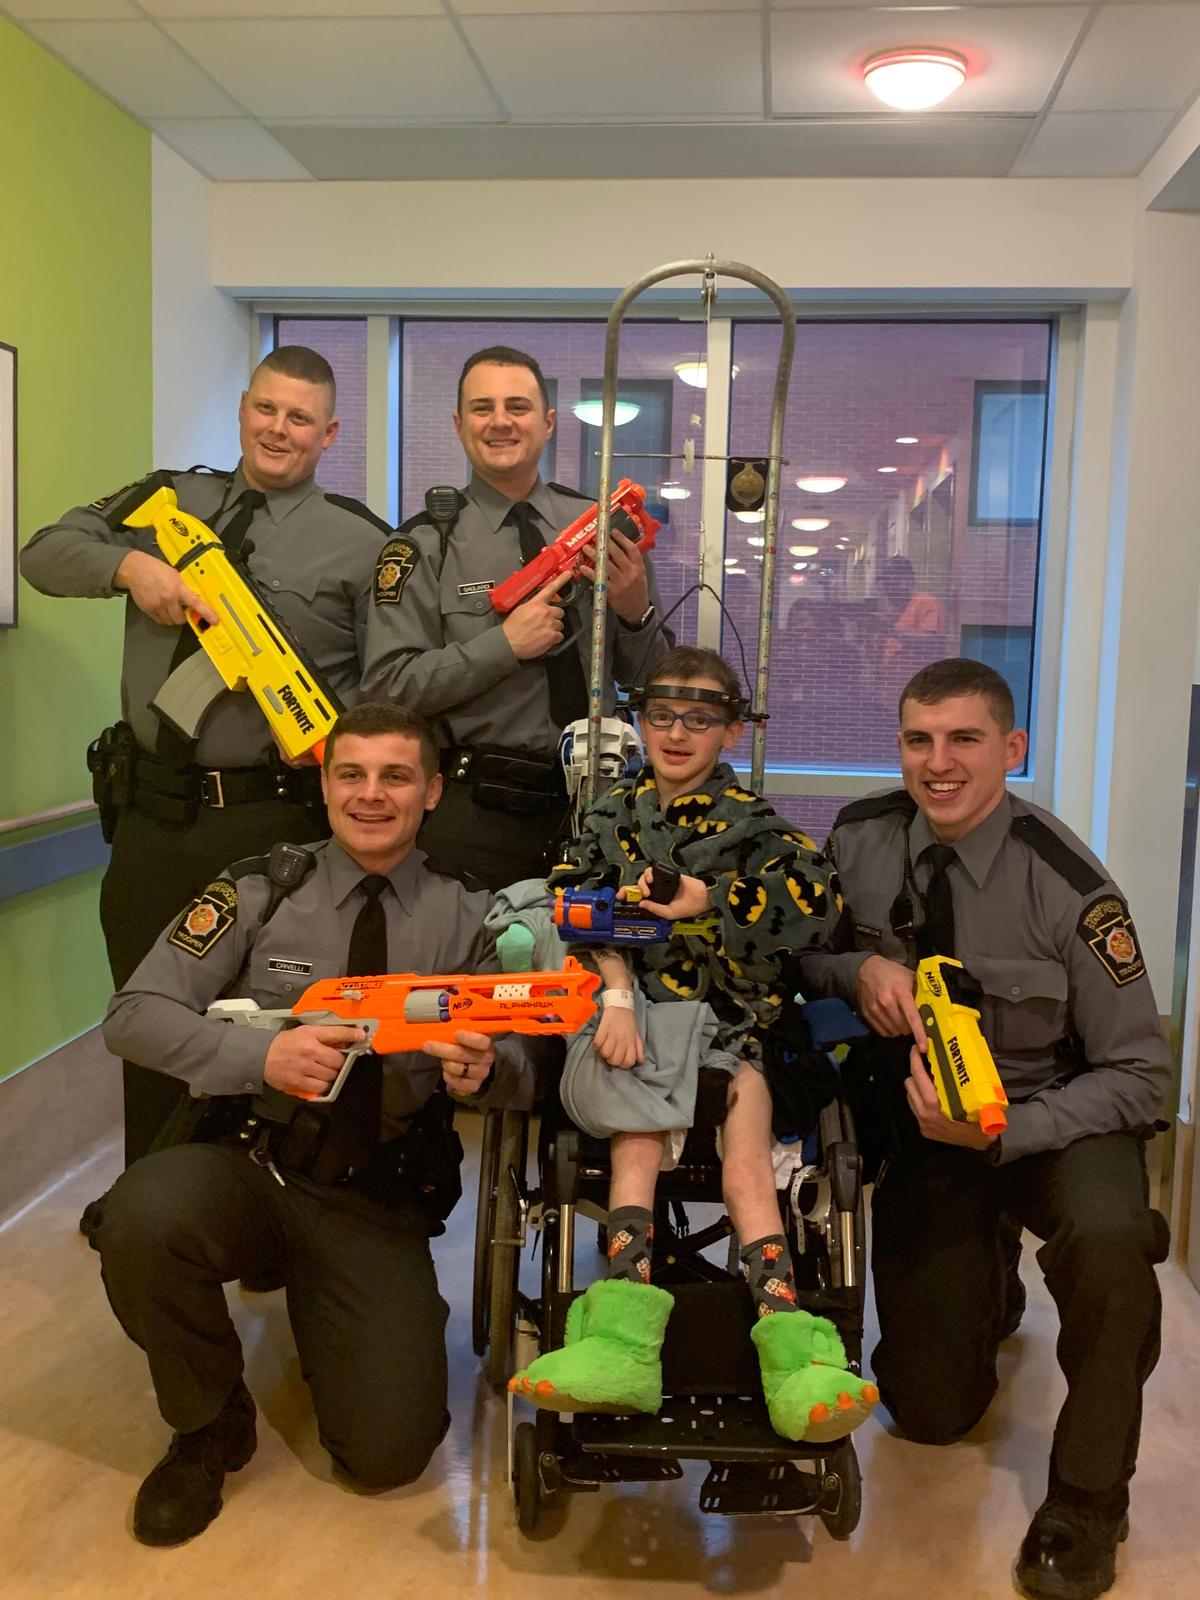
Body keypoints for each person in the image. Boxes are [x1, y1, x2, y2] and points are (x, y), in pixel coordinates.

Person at [95, 702, 534, 1547]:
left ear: (433, 791)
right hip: (252, 1162)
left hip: (376, 1197)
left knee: (388, 1455)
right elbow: (133, 1015)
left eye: (396, 776)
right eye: (351, 774)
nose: (372, 795)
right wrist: (259, 1058)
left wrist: (489, 1072)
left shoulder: (476, 917)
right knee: (141, 1218)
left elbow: (522, 1063)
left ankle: (346, 1318)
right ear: (323, 784)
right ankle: (208, 1424)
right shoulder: (262, 887)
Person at [797, 657, 1171, 1600]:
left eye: (964, 740)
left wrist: (1008, 1136)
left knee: (1112, 1246)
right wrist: (860, 975)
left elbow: (1142, 1076)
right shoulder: (862, 840)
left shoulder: (1075, 889)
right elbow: (805, 954)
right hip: (933, 1129)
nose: (940, 764)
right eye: (919, 740)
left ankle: (1089, 1503)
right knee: (925, 1413)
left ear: (1013, 749)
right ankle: (988, 1280)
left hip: (1057, 1121)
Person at [21, 345, 389, 1169]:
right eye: (266, 409)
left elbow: (384, 687)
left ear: (329, 433)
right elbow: (42, 552)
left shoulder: (363, 544)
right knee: (150, 1019)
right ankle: (149, 1210)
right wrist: (129, 567)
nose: (278, 430)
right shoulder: (165, 500)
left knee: (264, 1022)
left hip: (273, 828)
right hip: (154, 820)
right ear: (242, 409)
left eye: (300, 418)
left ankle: (257, 1209)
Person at [503, 646, 878, 1444]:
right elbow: (569, 902)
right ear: (640, 720)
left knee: (747, 1163)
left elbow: (814, 905)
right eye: (662, 715)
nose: (678, 733)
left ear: (729, 729)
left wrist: (714, 899)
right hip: (636, 1023)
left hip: (737, 1028)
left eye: (700, 718)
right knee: (635, 1143)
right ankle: (619, 1344)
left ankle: (792, 1353)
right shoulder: (608, 817)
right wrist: (613, 990)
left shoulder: (755, 824)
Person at [361, 344, 675, 890]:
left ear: (548, 422)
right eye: (482, 408)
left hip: (602, 803)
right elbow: (388, 690)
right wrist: (502, 646)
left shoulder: (599, 524)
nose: (500, 421)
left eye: (518, 407)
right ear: (460, 424)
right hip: (477, 811)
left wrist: (633, 612)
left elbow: (656, 687)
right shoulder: (422, 544)